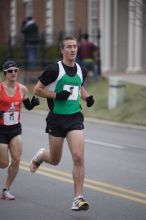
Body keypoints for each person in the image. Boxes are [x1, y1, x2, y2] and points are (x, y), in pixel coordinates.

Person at [29, 36, 95, 211]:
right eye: (69, 47)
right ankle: (42, 155)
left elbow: (78, 86)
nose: (73, 49)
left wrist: (87, 97)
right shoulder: (54, 70)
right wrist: (57, 96)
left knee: (79, 157)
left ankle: (78, 198)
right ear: (62, 50)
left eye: (74, 46)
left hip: (74, 117)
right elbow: (37, 89)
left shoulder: (82, 69)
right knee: (55, 159)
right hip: (57, 119)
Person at [0, 60, 40, 200]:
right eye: (10, 71)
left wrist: (33, 104)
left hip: (15, 128)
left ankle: (6, 189)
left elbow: (27, 106)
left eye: (16, 70)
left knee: (16, 159)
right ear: (5, 73)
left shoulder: (22, 89)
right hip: (1, 130)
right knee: (3, 163)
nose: (13, 73)